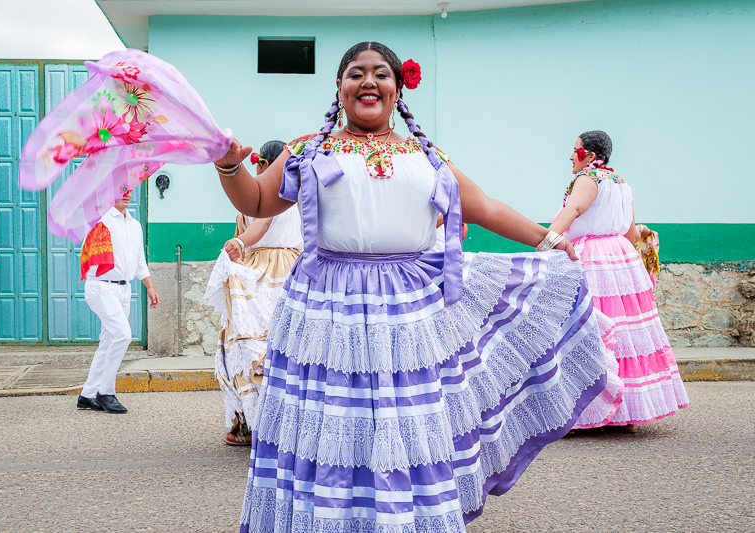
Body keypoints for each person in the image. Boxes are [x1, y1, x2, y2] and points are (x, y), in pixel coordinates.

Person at [214, 42, 613, 531]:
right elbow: (256, 201)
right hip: (325, 309)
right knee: (330, 424)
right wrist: (230, 166)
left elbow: (485, 207)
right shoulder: (308, 151)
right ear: (339, 88)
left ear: (397, 89)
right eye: (355, 73)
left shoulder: (424, 156)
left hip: (407, 310)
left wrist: (548, 239)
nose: (368, 81)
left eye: (380, 73)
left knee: (404, 425)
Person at [548, 130, 688, 432]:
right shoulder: (621, 183)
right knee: (623, 332)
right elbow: (630, 233)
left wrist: (545, 242)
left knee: (588, 328)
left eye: (575, 150)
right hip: (622, 259)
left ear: (590, 155)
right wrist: (646, 233)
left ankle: (584, 412)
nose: (571, 156)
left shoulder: (589, 179)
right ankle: (626, 413)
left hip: (594, 259)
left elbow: (573, 210)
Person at [204, 140, 303, 446]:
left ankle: (251, 426)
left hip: (268, 270)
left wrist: (241, 242)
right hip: (287, 266)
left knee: (252, 346)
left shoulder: (274, 193)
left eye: (260, 166)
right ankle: (269, 425)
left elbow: (261, 225)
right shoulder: (297, 192)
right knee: (274, 347)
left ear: (266, 166)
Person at [76, 190, 159, 414]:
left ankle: (87, 395)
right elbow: (87, 251)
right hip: (101, 287)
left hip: (124, 288)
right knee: (122, 335)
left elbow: (139, 261)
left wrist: (149, 286)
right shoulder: (100, 220)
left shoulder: (134, 225)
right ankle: (105, 392)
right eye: (120, 189)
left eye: (129, 189)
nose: (126, 194)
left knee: (108, 341)